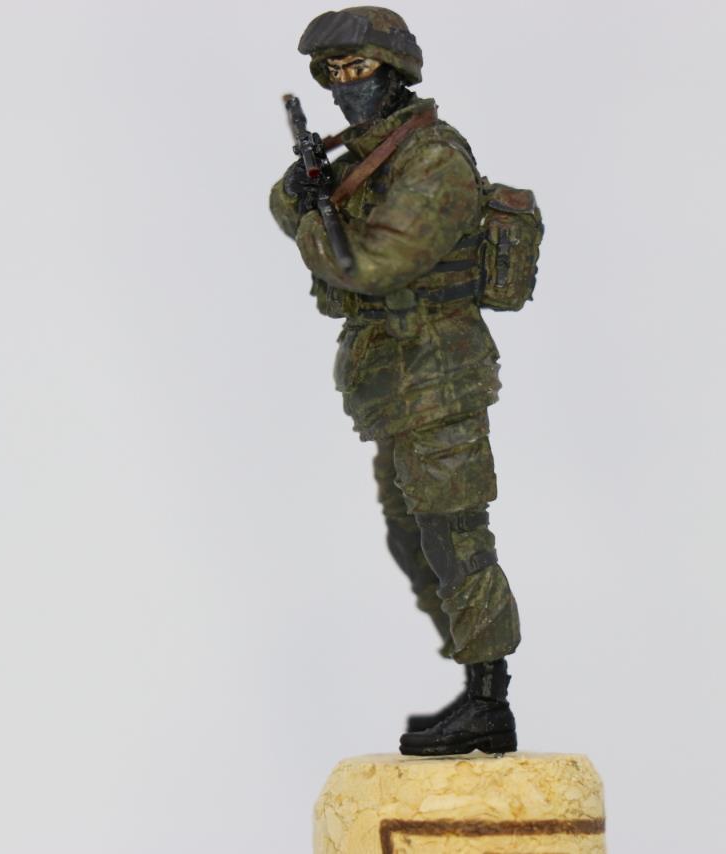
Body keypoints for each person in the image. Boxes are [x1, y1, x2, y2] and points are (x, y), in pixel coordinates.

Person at [269, 6, 524, 756]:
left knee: (455, 533)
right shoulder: (370, 155)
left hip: (439, 373)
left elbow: (370, 264)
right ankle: (469, 674)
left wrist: (314, 218)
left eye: (360, 69)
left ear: (396, 72)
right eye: (334, 73)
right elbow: (297, 208)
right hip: (394, 380)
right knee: (412, 536)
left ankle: (489, 700)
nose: (345, 85)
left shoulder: (431, 158)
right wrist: (302, 192)